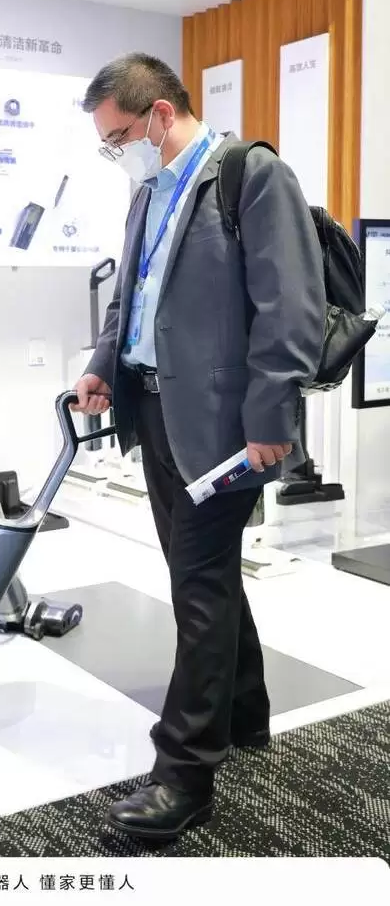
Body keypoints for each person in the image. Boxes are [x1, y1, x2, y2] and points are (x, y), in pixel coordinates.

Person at [73, 53, 325, 841]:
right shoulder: (148, 193)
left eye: (118, 136)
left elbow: (290, 307)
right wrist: (102, 363)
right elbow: (132, 298)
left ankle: (184, 773)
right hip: (154, 412)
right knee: (201, 574)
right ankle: (245, 711)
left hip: (224, 424)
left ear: (158, 114)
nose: (117, 152)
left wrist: (271, 417)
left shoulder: (249, 175)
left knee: (199, 586)